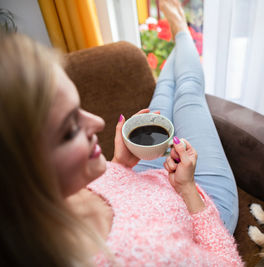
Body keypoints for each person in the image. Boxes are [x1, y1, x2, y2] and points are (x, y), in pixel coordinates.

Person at [0, 0, 241, 265]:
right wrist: (187, 188)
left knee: (164, 91)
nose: (97, 123)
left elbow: (104, 194)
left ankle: (179, 36)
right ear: (23, 174)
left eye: (79, 108)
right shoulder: (147, 254)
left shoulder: (49, 206)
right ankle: (181, 30)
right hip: (198, 200)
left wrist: (120, 165)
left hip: (141, 178)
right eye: (69, 129)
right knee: (188, 90)